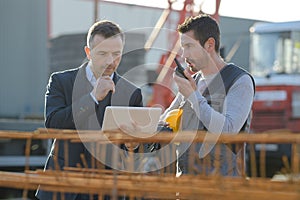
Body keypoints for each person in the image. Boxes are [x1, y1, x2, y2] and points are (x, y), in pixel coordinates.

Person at [36, 20, 143, 200]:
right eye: (102, 53)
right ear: (88, 52)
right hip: (63, 188)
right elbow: (53, 124)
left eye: (117, 54)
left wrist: (134, 144)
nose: (110, 61)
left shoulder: (132, 93)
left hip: (107, 191)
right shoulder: (61, 82)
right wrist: (93, 97)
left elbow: (136, 152)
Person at [160, 14, 255, 176]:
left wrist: (193, 96)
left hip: (221, 188)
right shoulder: (193, 81)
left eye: (189, 46)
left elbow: (228, 131)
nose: (184, 55)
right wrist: (141, 128)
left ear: (209, 44)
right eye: (183, 48)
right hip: (185, 186)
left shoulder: (240, 81)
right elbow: (166, 120)